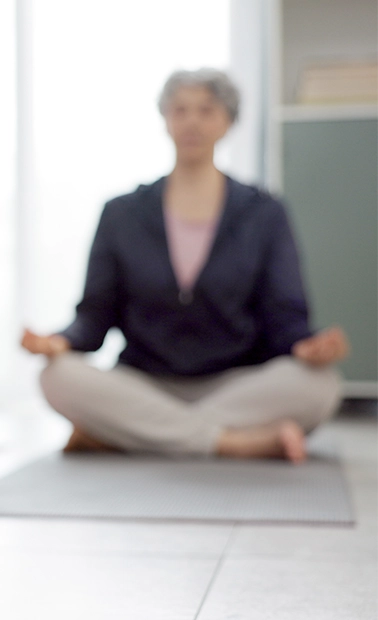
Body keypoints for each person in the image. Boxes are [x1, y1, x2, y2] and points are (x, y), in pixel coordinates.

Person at [22, 68, 347, 463]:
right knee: (56, 375)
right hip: (145, 382)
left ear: (227, 122)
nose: (192, 121)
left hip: (236, 383)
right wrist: (60, 341)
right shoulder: (121, 213)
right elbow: (94, 316)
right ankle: (234, 443)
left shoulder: (264, 213)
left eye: (206, 110)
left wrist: (307, 346)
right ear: (165, 120)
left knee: (320, 385)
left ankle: (126, 435)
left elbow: (285, 316)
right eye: (180, 110)